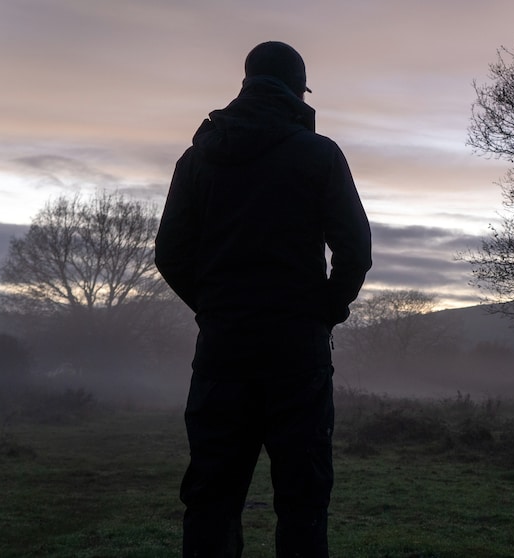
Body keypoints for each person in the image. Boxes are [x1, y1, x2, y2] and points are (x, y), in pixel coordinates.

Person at [155, 40, 372, 558]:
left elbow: (169, 254)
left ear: (246, 83)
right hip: (296, 354)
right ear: (298, 90)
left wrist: (214, 309)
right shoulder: (319, 154)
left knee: (211, 500)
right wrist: (323, 313)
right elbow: (355, 251)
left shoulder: (197, 159)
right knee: (303, 501)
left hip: (222, 351)